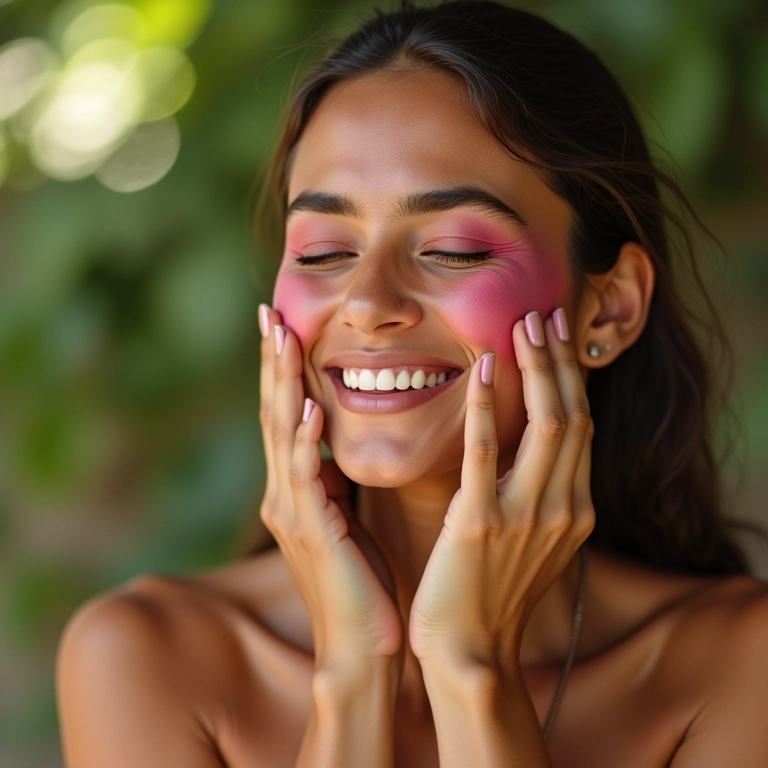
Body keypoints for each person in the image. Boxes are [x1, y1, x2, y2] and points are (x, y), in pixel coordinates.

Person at [56, 2, 768, 766]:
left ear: (610, 307)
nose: (366, 304)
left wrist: (472, 671)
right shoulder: (145, 659)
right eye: (326, 250)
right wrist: (353, 676)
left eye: (454, 250)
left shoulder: (737, 667)